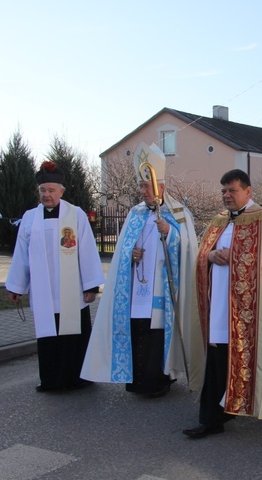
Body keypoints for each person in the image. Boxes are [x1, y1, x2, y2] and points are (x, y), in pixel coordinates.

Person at [82, 143, 201, 397]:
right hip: (138, 289)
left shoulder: (179, 214)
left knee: (157, 336)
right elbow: (123, 251)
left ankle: (158, 381)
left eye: (147, 186)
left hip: (163, 291)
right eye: (141, 186)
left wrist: (170, 234)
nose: (143, 191)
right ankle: (136, 381)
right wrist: (130, 255)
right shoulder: (135, 214)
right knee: (139, 333)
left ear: (162, 187)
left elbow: (190, 249)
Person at [184, 169, 262, 438]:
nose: (227, 196)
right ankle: (213, 418)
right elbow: (201, 255)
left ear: (248, 192)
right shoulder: (218, 221)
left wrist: (237, 258)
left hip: (251, 307)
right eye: (223, 191)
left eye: (232, 190)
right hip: (219, 306)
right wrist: (210, 257)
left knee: (260, 355)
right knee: (219, 359)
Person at [6, 161, 104, 392]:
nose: (46, 195)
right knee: (49, 338)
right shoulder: (30, 218)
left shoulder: (76, 214)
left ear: (61, 191)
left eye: (51, 190)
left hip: (71, 291)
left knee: (73, 337)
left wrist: (91, 286)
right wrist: (16, 287)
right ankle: (50, 380)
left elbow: (88, 249)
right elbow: (21, 253)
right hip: (44, 292)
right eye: (43, 191)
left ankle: (78, 378)